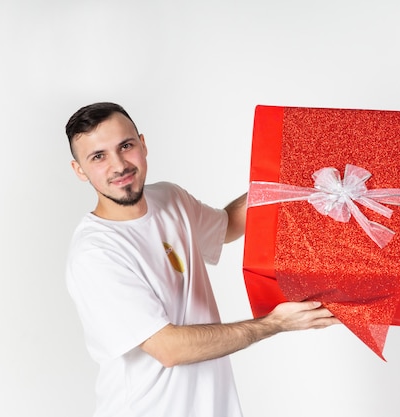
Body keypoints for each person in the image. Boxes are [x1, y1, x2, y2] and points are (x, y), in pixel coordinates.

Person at [65, 102, 339, 417]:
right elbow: (168, 348)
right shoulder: (96, 253)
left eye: (125, 146)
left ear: (143, 144)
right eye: (98, 156)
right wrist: (275, 324)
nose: (118, 165)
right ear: (79, 170)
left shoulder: (169, 198)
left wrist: (290, 187)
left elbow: (227, 226)